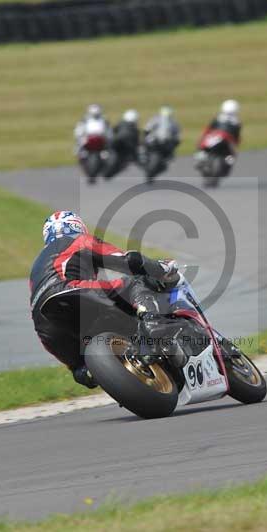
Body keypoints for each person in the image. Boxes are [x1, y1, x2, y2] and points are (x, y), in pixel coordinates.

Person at [29, 211, 179, 388]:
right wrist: (161, 268)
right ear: (78, 227)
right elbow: (127, 260)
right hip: (69, 292)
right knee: (135, 282)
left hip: (44, 324)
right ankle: (154, 326)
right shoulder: (79, 240)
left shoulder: (36, 266)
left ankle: (93, 372)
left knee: (81, 368)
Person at [105, 109, 141, 178]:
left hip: (118, 145)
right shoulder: (134, 128)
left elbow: (112, 131)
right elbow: (136, 142)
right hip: (122, 147)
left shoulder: (120, 124)